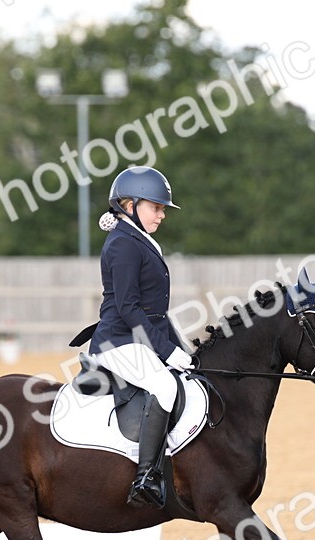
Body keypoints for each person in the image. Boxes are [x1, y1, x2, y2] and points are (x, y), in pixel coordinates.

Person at [88, 166, 189, 509]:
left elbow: (156, 312)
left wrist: (181, 349)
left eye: (162, 209)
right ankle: (146, 476)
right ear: (128, 204)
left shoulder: (140, 239)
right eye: (155, 207)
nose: (161, 215)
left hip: (140, 335)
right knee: (166, 387)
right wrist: (167, 352)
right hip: (118, 340)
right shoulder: (123, 244)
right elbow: (130, 309)